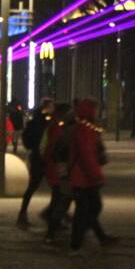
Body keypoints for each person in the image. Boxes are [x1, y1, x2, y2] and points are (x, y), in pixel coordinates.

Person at [66, 98, 117, 253]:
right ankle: (76, 243)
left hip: (84, 177)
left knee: (89, 208)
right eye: (96, 109)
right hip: (83, 177)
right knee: (87, 210)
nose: (97, 112)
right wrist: (96, 175)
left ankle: (96, 237)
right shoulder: (84, 130)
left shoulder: (86, 128)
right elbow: (87, 155)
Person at [17, 98, 54, 228]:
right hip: (41, 158)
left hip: (38, 157)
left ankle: (24, 214)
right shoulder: (43, 122)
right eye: (51, 107)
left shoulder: (36, 120)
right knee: (54, 187)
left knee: (35, 186)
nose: (53, 109)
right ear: (46, 108)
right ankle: (50, 214)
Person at [42, 103, 74, 244]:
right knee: (60, 197)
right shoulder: (57, 127)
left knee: (59, 197)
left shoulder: (56, 125)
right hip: (56, 168)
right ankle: (51, 224)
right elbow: (55, 148)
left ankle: (53, 221)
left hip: (55, 167)